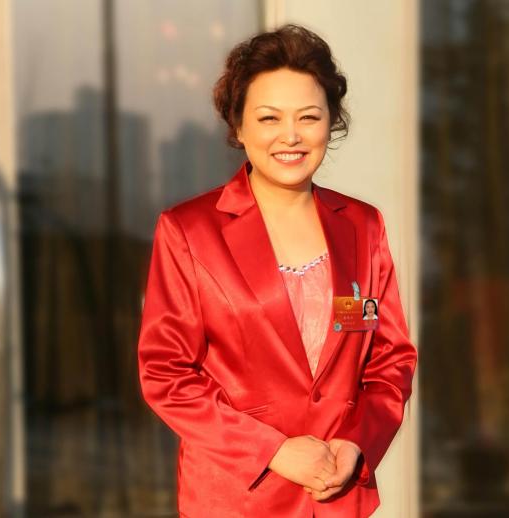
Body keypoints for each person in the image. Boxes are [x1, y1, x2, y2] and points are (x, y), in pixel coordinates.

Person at [137, 23, 417, 518]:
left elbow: (388, 359)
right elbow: (166, 373)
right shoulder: (189, 231)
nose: (291, 136)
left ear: (331, 122)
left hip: (336, 494)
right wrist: (275, 451)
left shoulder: (363, 226)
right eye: (269, 118)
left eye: (309, 117)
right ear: (239, 126)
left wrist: (357, 442)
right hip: (236, 498)